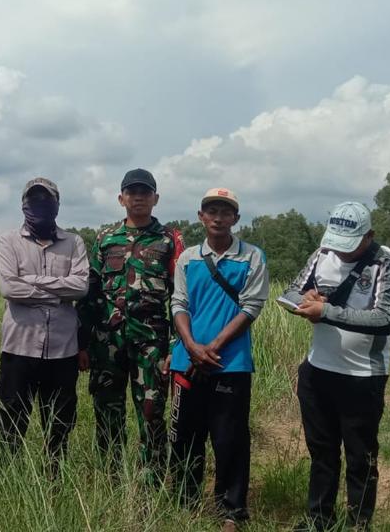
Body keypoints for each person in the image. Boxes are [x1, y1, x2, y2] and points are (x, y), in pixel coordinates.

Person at [286, 201, 390, 532]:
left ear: (369, 236)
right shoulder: (322, 253)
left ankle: (359, 524)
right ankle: (319, 520)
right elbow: (292, 292)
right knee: (321, 452)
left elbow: (384, 318)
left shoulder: (387, 263)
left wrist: (325, 312)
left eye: (349, 244)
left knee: (360, 457)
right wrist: (306, 301)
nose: (340, 251)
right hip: (318, 370)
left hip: (362, 376)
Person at [167, 188, 269, 531]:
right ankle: (185, 503)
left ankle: (231, 511)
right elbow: (179, 303)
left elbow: (251, 307)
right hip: (186, 362)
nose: (218, 218)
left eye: (226, 212)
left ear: (235, 218)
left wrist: (211, 347)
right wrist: (191, 346)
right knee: (184, 437)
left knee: (230, 439)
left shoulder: (252, 257)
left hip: (231, 363)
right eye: (212, 211)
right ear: (201, 217)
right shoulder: (188, 258)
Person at [78, 168, 184, 481]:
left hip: (151, 344)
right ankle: (111, 480)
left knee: (151, 414)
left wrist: (175, 347)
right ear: (121, 198)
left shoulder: (169, 240)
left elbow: (179, 297)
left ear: (155, 198)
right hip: (107, 344)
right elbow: (90, 293)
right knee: (107, 413)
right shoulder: (105, 238)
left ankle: (151, 483)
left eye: (145, 192)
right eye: (132, 192)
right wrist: (82, 343)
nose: (138, 197)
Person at [0, 177, 90, 473]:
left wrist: (31, 281)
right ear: (23, 204)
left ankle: (53, 480)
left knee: (59, 424)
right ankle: (9, 479)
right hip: (19, 348)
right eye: (34, 200)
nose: (40, 205)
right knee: (11, 422)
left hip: (62, 351)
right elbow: (9, 288)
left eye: (47, 200)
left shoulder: (74, 242)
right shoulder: (7, 241)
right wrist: (58, 293)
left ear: (57, 205)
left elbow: (81, 287)